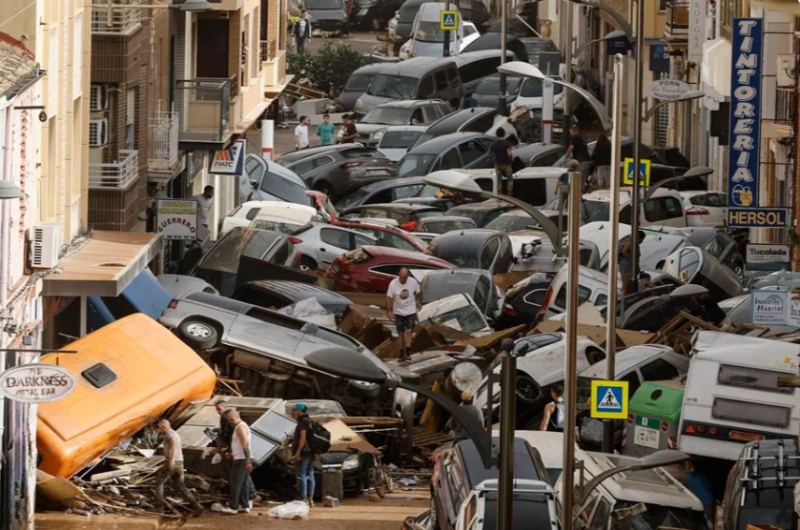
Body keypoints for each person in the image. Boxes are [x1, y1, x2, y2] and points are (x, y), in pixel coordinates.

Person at [155, 419, 203, 516]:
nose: (159, 431)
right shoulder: (175, 433)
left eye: (160, 428)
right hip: (180, 462)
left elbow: (173, 444)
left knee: (159, 482)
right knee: (181, 485)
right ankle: (196, 505)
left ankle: (160, 506)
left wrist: (171, 460)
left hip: (172, 462)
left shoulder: (169, 434)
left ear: (164, 427)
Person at [219, 410, 256, 514]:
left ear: (237, 417)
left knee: (235, 482)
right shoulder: (239, 427)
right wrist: (232, 454)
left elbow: (245, 445)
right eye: (229, 420)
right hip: (240, 457)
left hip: (241, 459)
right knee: (244, 483)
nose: (230, 422)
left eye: (232, 419)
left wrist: (247, 461)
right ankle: (245, 505)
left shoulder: (240, 427)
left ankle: (233, 506)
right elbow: (239, 445)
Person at [386, 267, 421, 361]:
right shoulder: (393, 284)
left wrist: (419, 302)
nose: (403, 280)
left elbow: (419, 291)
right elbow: (388, 297)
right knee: (401, 333)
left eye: (405, 278)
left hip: (410, 310)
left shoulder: (413, 282)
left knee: (409, 331)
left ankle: (408, 351)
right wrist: (389, 311)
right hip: (398, 311)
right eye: (401, 278)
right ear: (399, 276)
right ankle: (402, 353)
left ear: (408, 277)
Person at [290, 403, 316, 507]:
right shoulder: (310, 421)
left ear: (299, 411)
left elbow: (303, 438)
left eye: (293, 410)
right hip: (311, 452)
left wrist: (297, 453)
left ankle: (303, 500)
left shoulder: (302, 422)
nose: (291, 412)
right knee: (310, 475)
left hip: (304, 452)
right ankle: (311, 500)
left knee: (302, 475)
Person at [684, 459, 716, 530]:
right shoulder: (702, 474)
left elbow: (689, 491)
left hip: (704, 500)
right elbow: (709, 486)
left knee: (705, 519)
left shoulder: (689, 477)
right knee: (709, 520)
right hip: (709, 500)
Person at [490, 127, 514, 196]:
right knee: (510, 181)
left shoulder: (494, 143)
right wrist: (512, 159)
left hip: (498, 165)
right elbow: (509, 154)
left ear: (497, 135)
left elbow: (489, 152)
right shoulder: (506, 143)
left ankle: (500, 195)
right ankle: (510, 196)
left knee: (499, 181)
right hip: (506, 165)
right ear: (504, 134)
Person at [620, 231, 645, 296]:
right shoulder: (630, 243)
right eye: (642, 239)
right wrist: (632, 259)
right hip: (627, 266)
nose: (642, 241)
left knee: (628, 286)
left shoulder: (635, 245)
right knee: (626, 285)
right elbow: (624, 252)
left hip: (630, 266)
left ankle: (625, 297)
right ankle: (623, 300)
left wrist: (637, 267)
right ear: (639, 238)